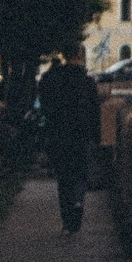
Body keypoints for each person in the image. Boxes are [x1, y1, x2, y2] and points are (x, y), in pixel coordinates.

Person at [35, 50, 99, 236]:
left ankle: (67, 221)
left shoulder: (51, 79)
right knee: (80, 172)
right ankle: (78, 201)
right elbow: (94, 111)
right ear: (79, 56)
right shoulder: (87, 82)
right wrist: (96, 136)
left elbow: (44, 104)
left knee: (63, 178)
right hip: (81, 134)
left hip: (58, 134)